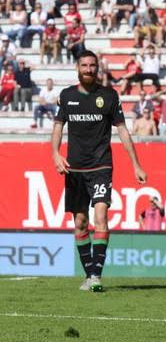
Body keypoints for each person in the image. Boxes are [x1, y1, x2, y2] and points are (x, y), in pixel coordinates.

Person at [51, 50, 147, 292]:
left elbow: (123, 131)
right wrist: (55, 153)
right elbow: (57, 127)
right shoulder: (67, 96)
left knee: (101, 216)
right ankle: (89, 275)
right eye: (84, 65)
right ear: (77, 68)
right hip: (75, 169)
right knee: (81, 223)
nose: (89, 69)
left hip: (101, 166)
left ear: (97, 68)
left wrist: (136, 163)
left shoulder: (109, 96)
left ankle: (95, 275)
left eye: (92, 65)